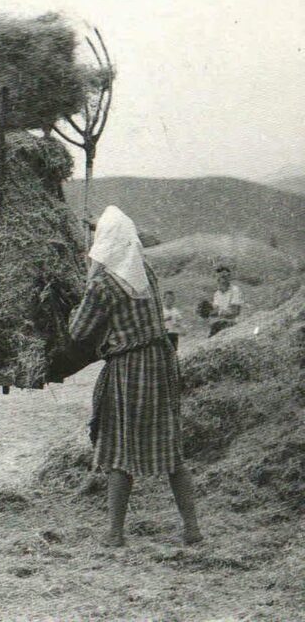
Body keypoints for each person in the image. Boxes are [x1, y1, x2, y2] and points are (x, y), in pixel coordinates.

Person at [69, 206, 202, 547]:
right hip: (162, 361)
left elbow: (79, 331)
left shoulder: (104, 285)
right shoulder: (146, 271)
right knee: (171, 449)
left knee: (119, 447)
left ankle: (114, 533)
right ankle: (192, 529)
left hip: (130, 367)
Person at [207, 265, 243, 337]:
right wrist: (209, 312)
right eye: (219, 277)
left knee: (215, 327)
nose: (221, 280)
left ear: (229, 277)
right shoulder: (217, 294)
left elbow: (235, 312)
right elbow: (215, 311)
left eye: (224, 277)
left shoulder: (235, 290)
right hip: (220, 323)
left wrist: (219, 312)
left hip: (233, 323)